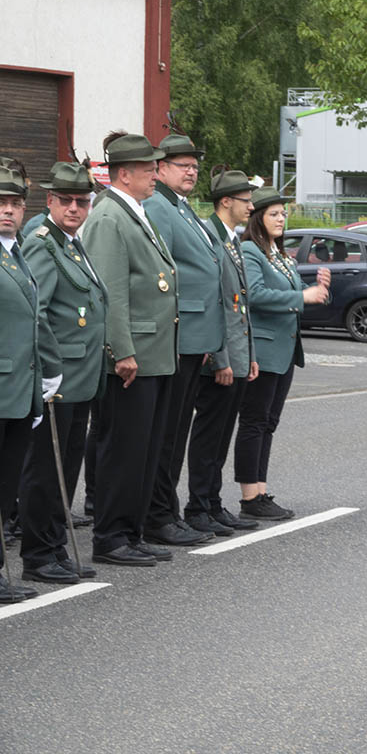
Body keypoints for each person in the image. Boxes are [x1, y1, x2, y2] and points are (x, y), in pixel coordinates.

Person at [81, 133, 178, 567]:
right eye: (149, 169)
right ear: (125, 173)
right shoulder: (108, 217)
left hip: (153, 353)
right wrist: (121, 350)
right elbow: (111, 292)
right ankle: (111, 537)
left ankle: (132, 531)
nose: (155, 175)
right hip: (132, 357)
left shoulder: (133, 210)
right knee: (123, 449)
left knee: (144, 449)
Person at [18, 162, 105, 583]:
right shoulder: (42, 243)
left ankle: (54, 546)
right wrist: (50, 369)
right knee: (46, 469)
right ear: (49, 201)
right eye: (66, 200)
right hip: (60, 375)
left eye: (82, 201)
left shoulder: (71, 242)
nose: (74, 207)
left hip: (82, 374)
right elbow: (38, 313)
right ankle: (37, 554)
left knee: (66, 467)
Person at [142, 135, 225, 546]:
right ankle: (158, 514)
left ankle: (166, 510)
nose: (190, 171)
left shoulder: (182, 207)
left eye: (194, 165)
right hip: (176, 335)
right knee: (167, 433)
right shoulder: (159, 206)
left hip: (196, 336)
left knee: (175, 431)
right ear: (159, 168)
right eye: (181, 164)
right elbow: (163, 273)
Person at [236, 187, 329, 514]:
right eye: (273, 214)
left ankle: (260, 491)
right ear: (258, 217)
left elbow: (292, 293)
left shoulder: (278, 252)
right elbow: (256, 294)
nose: (280, 219)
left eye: (283, 213)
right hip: (263, 351)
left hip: (285, 351)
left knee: (269, 421)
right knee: (254, 421)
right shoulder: (250, 250)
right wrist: (303, 297)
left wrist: (316, 290)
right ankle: (249, 496)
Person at [183, 172, 263, 534]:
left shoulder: (231, 239)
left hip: (235, 354)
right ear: (225, 202)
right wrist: (221, 358)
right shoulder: (210, 237)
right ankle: (198, 506)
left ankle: (212, 503)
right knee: (208, 434)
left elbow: (239, 307)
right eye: (245, 199)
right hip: (219, 360)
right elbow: (213, 303)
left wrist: (248, 355)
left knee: (221, 435)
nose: (251, 206)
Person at [0, 163, 47, 601]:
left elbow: (34, 319)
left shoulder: (17, 254)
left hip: (19, 389)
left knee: (5, 485)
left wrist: (48, 371)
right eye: (1, 203)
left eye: (14, 204)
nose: (8, 211)